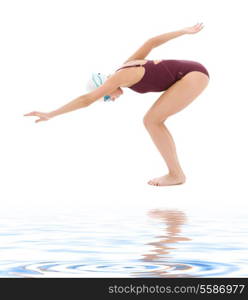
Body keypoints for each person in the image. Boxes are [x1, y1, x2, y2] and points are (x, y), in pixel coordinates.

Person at [24, 23, 209, 187]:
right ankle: (176, 173)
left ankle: (176, 174)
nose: (111, 99)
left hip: (193, 76)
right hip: (193, 72)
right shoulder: (125, 67)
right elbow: (150, 42)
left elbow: (86, 100)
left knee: (151, 121)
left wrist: (52, 113)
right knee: (154, 121)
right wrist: (183, 31)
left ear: (104, 85)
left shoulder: (120, 77)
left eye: (106, 97)